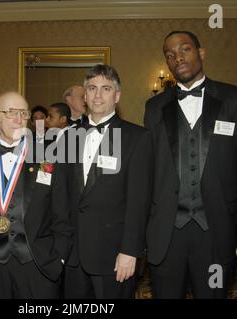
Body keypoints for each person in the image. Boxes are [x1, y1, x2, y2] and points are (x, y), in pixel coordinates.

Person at [144, 31, 237, 298]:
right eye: (170, 55)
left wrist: (231, 215)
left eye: (185, 49)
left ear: (201, 53)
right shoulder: (154, 107)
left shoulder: (236, 99)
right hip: (167, 232)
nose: (178, 58)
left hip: (215, 230)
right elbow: (149, 169)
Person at [0, 91, 72, 298]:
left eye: (23, 113)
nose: (18, 119)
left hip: (37, 263)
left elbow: (63, 212)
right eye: (11, 112)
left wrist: (60, 258)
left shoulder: (49, 156)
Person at [64, 64, 153, 299]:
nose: (98, 95)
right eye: (92, 88)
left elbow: (139, 201)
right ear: (84, 96)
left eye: (106, 88)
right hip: (73, 254)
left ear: (117, 95)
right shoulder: (68, 138)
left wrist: (130, 251)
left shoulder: (137, 138)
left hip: (114, 254)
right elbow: (63, 196)